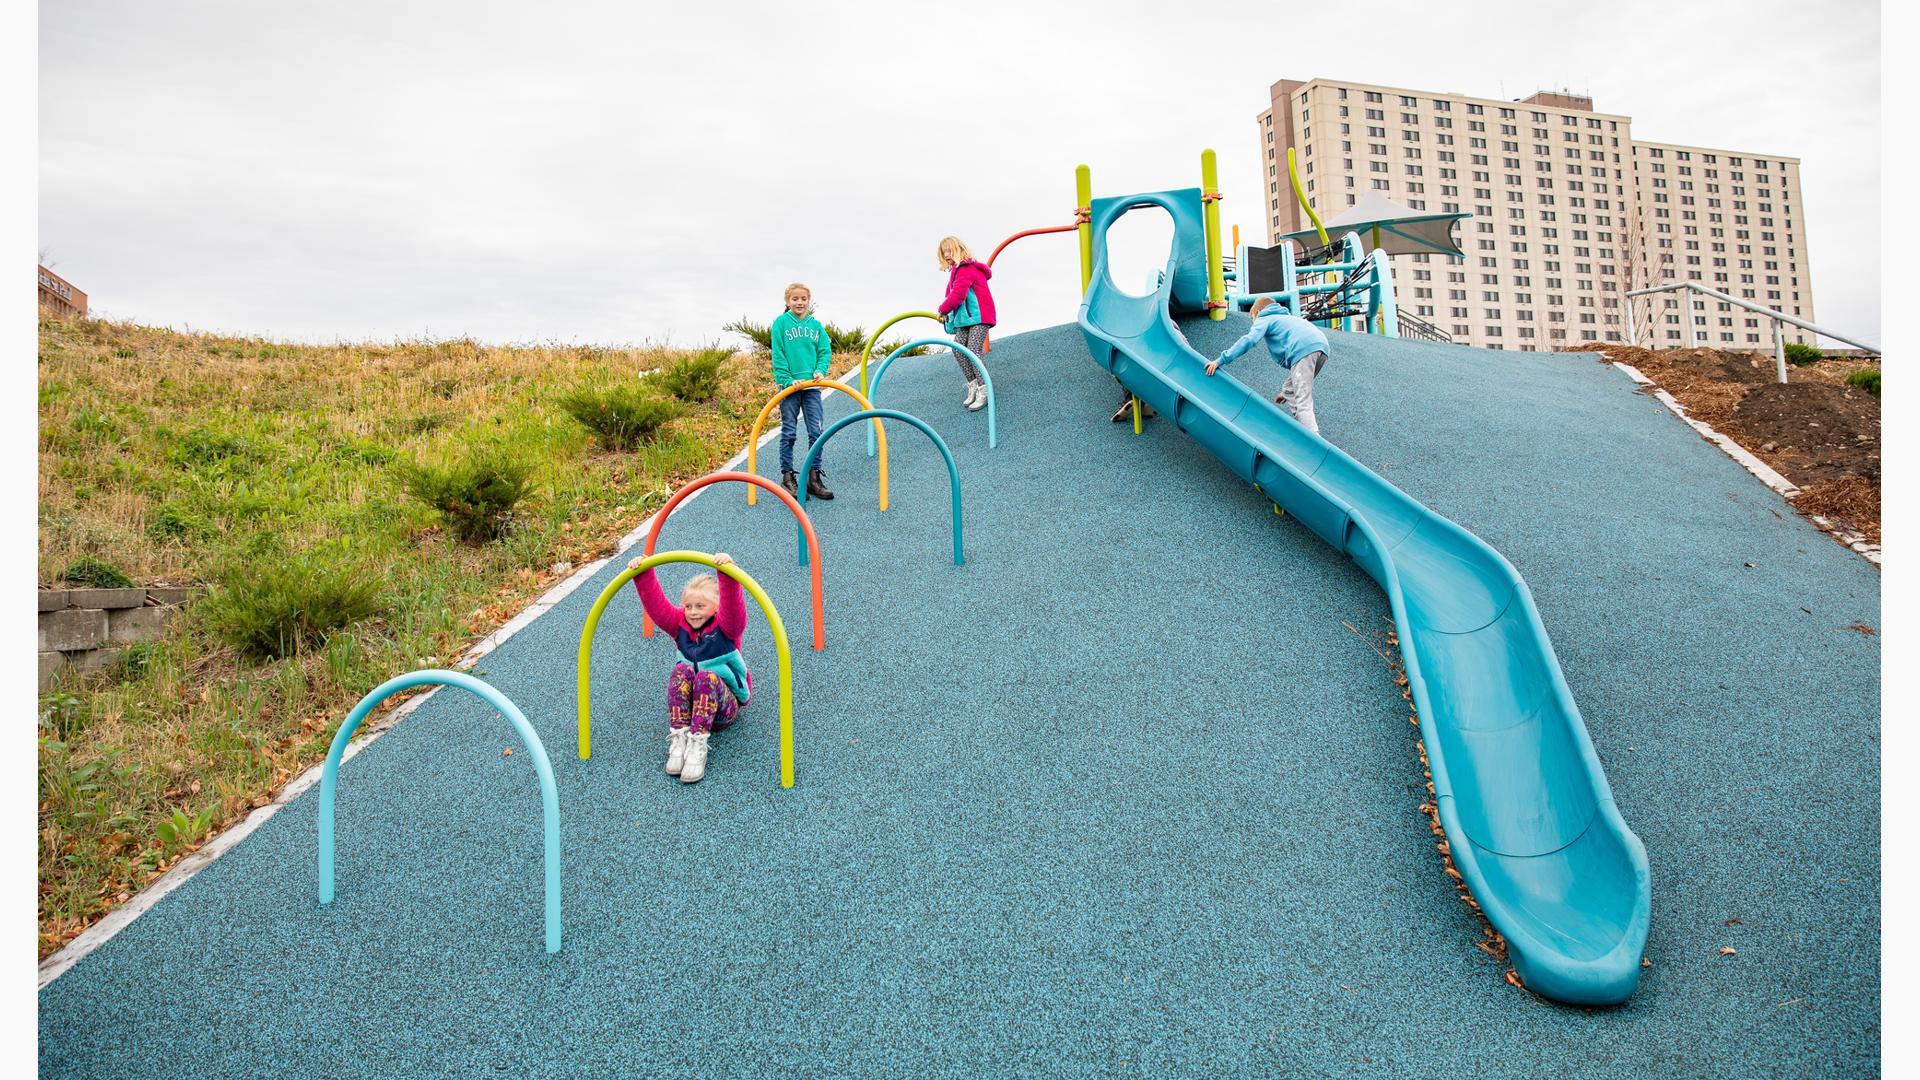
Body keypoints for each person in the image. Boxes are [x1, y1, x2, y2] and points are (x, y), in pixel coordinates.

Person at [627, 553, 751, 784]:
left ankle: (697, 745)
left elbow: (733, 608)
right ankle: (680, 737)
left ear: (716, 608)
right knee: (680, 671)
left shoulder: (727, 630)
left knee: (706, 677)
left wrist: (726, 573)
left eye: (700, 606)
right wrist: (642, 573)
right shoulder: (680, 625)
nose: (693, 612)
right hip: (693, 707)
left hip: (723, 706)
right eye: (688, 606)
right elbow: (658, 608)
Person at [1205, 296, 1333, 435]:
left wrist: (1220, 360)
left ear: (1257, 312)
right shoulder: (1287, 318)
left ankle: (1313, 436)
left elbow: (1249, 340)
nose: (1254, 323)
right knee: (1290, 390)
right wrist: (1284, 393)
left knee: (1302, 399)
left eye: (1252, 319)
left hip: (1302, 351)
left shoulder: (1264, 318)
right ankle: (1303, 424)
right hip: (1322, 348)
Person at [770, 282, 834, 500]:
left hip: (811, 387)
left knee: (816, 431)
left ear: (809, 301)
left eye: (803, 299)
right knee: (789, 432)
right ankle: (787, 478)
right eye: (795, 299)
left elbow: (824, 351)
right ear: (787, 302)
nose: (799, 302)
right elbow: (778, 354)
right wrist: (787, 380)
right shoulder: (780, 324)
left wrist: (819, 370)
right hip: (790, 387)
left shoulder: (815, 326)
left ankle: (813, 478)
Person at [935, 237, 995, 412]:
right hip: (964, 319)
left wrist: (943, 309)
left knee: (973, 349)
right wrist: (946, 312)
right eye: (943, 252)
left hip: (979, 316)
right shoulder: (955, 271)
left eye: (949, 251)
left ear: (958, 249)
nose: (946, 255)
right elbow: (950, 294)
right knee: (958, 349)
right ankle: (973, 384)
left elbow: (958, 295)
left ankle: (985, 389)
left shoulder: (967, 268)